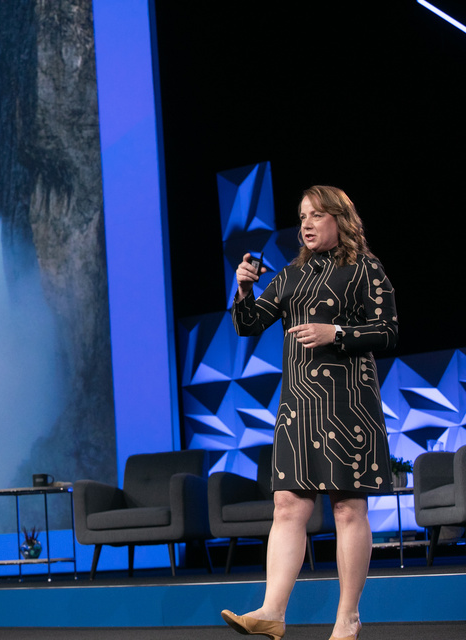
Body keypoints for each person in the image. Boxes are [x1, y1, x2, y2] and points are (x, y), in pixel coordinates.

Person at [221, 185, 398, 640]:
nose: (306, 223)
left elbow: (388, 332)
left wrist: (334, 332)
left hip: (349, 406)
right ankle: (272, 612)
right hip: (297, 409)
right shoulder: (290, 275)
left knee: (347, 510)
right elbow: (248, 324)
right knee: (286, 506)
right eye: (302, 216)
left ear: (340, 218)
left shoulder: (365, 269)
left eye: (317, 214)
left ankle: (348, 618)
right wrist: (243, 289)